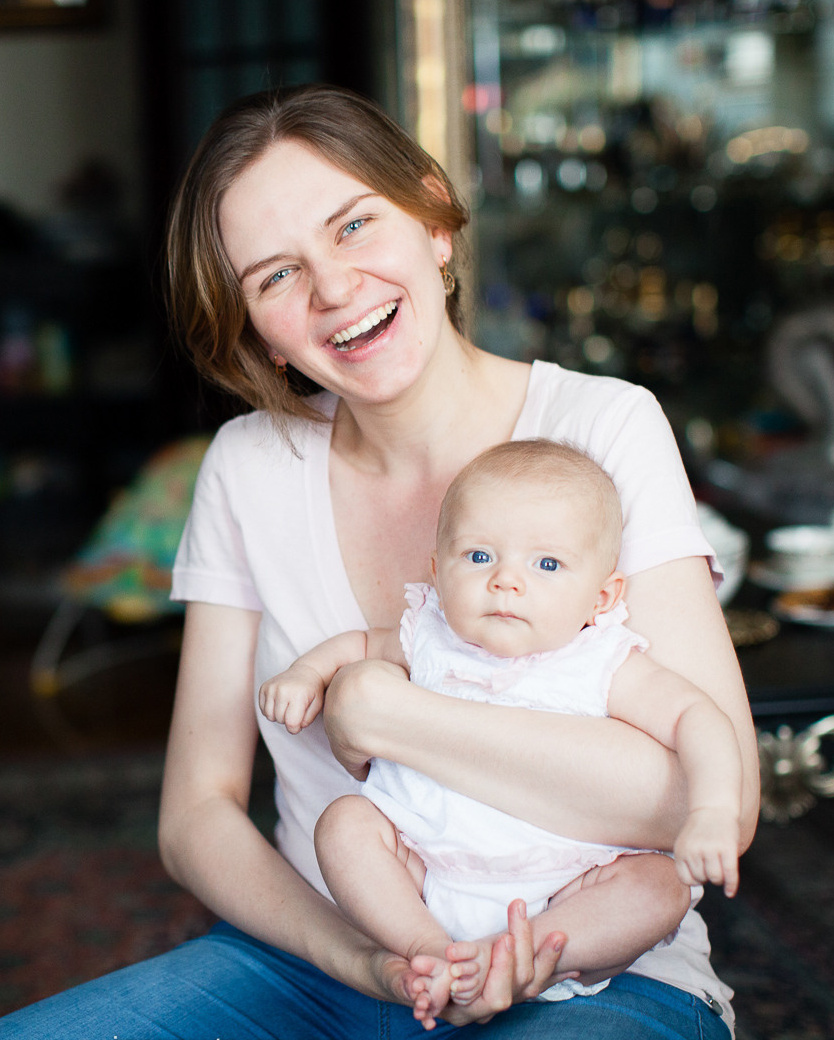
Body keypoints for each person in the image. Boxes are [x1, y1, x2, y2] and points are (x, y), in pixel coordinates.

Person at [0, 83, 759, 1039]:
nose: (332, 289)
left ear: (435, 218)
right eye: (274, 276)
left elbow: (716, 806)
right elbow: (196, 814)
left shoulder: (602, 425)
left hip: (593, 966)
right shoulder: (246, 468)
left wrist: (388, 714)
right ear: (256, 334)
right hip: (324, 957)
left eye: (355, 225)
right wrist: (363, 957)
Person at [259, 438, 743, 1030]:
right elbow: (358, 647)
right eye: (480, 557)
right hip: (425, 868)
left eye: (546, 564)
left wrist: (716, 807)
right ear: (438, 573)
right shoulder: (428, 634)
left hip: (566, 887)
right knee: (343, 825)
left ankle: (521, 953)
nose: (506, 582)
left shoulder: (602, 660)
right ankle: (427, 950)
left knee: (659, 888)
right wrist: (307, 674)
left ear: (603, 596)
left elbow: (697, 716)